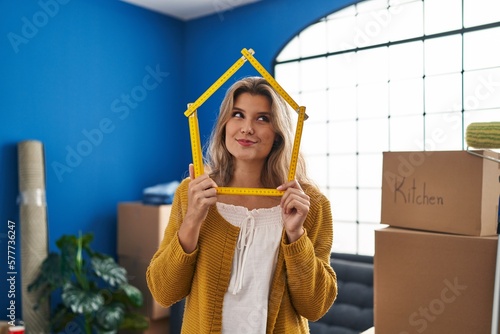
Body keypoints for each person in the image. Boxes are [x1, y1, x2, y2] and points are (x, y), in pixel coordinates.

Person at [146, 76, 337, 333]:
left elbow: (316, 306)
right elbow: (163, 292)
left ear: (278, 133)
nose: (247, 128)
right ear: (225, 124)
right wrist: (192, 220)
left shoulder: (309, 204)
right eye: (238, 115)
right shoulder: (192, 194)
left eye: (262, 118)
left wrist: (295, 235)